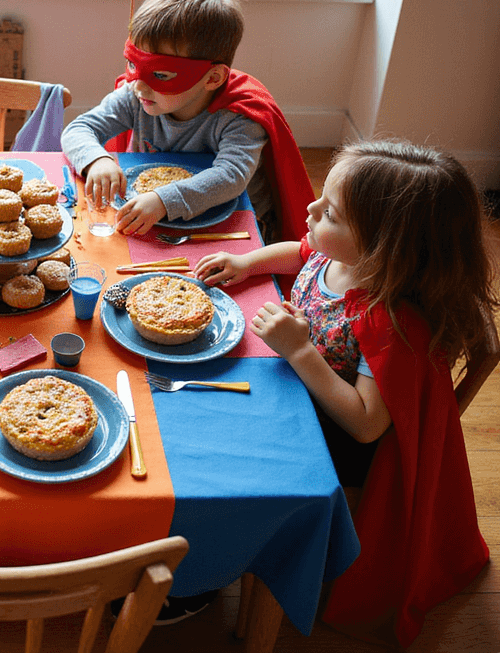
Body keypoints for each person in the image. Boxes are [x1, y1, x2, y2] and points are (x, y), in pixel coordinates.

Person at [195, 140, 493, 646]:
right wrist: (248, 263)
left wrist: (299, 351)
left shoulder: (393, 322)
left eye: (328, 211)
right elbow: (300, 253)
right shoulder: (342, 255)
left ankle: (225, 551)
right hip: (299, 383)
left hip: (338, 435)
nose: (309, 210)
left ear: (383, 246)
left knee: (217, 447)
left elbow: (365, 424)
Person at [60, 0, 314, 244]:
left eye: (161, 74)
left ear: (213, 78)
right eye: (133, 65)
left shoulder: (239, 116)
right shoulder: (136, 95)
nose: (139, 84)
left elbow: (231, 175)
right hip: (156, 218)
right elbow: (79, 129)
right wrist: (96, 160)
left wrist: (163, 199)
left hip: (235, 226)